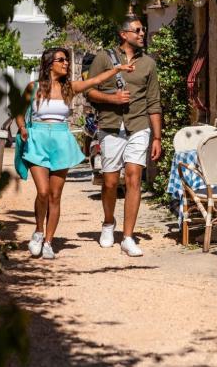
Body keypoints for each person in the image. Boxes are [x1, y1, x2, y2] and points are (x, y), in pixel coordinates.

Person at [16, 48, 135, 259]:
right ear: (49, 63)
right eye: (61, 60)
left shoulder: (69, 89)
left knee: (55, 195)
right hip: (37, 140)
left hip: (61, 140)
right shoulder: (33, 88)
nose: (66, 64)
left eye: (67, 60)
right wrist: (23, 128)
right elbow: (18, 112)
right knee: (43, 192)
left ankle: (49, 242)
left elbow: (95, 80)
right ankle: (38, 232)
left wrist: (117, 68)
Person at [85, 14, 163, 257]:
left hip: (139, 125)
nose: (142, 34)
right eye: (138, 30)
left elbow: (154, 102)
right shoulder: (103, 58)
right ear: (124, 34)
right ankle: (108, 223)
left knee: (133, 178)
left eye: (143, 30)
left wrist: (157, 137)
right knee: (109, 182)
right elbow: (89, 92)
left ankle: (128, 237)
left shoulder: (148, 64)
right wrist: (112, 99)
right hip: (110, 125)